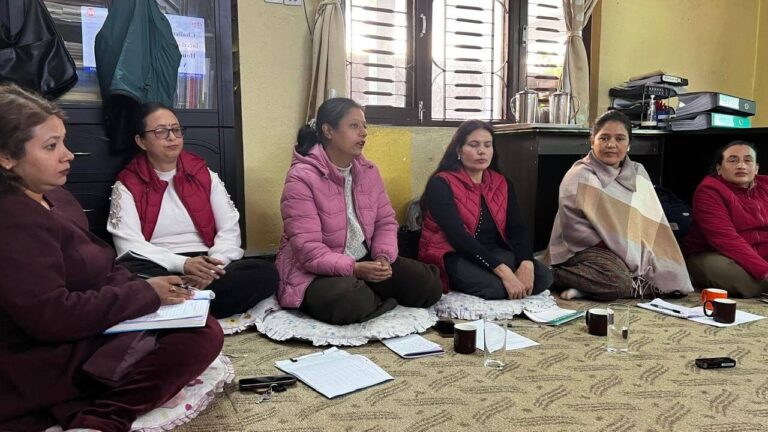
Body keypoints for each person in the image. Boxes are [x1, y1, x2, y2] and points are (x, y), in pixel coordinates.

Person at [0, 84, 223, 432]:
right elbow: (50, 317)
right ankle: (103, 417)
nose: (68, 155)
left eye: (63, 142)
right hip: (46, 349)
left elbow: (103, 264)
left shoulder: (57, 198)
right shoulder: (13, 218)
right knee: (197, 337)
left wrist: (153, 294)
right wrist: (146, 294)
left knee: (202, 322)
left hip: (103, 311)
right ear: (6, 157)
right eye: (50, 146)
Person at [277, 97, 442, 325]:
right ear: (328, 131)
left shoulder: (368, 172)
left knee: (429, 285)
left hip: (365, 259)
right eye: (354, 126)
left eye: (364, 126)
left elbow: (385, 221)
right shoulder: (301, 178)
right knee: (348, 300)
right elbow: (309, 252)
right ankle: (371, 296)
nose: (363, 133)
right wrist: (354, 269)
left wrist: (383, 257)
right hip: (316, 271)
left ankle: (374, 297)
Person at [107, 103, 278, 319]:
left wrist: (213, 266)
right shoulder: (127, 184)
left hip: (207, 262)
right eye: (161, 131)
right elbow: (128, 245)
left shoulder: (203, 174)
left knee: (265, 273)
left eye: (176, 129)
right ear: (141, 141)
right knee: (125, 277)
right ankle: (197, 303)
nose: (172, 137)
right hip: (159, 266)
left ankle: (178, 306)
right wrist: (183, 264)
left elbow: (229, 227)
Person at [547, 110, 693, 300]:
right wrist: (623, 253)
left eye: (620, 139)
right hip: (587, 249)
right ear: (592, 141)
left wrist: (635, 253)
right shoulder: (580, 175)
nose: (611, 145)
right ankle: (551, 275)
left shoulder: (638, 173)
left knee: (674, 272)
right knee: (617, 280)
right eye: (604, 138)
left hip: (627, 250)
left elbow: (649, 223)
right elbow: (572, 230)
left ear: (629, 144)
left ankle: (588, 287)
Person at [418, 120, 553, 299]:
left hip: (492, 252)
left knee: (543, 277)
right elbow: (458, 237)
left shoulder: (502, 183)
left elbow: (517, 228)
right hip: (451, 253)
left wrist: (526, 263)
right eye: (474, 145)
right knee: (496, 288)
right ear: (458, 150)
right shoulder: (441, 183)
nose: (482, 151)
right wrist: (504, 271)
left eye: (487, 145)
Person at [685, 141, 768, 297]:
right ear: (719, 168)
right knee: (742, 279)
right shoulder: (709, 190)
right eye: (733, 160)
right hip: (717, 254)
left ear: (756, 168)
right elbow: (726, 240)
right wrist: (764, 271)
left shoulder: (766, 185)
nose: (741, 166)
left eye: (748, 160)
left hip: (761, 254)